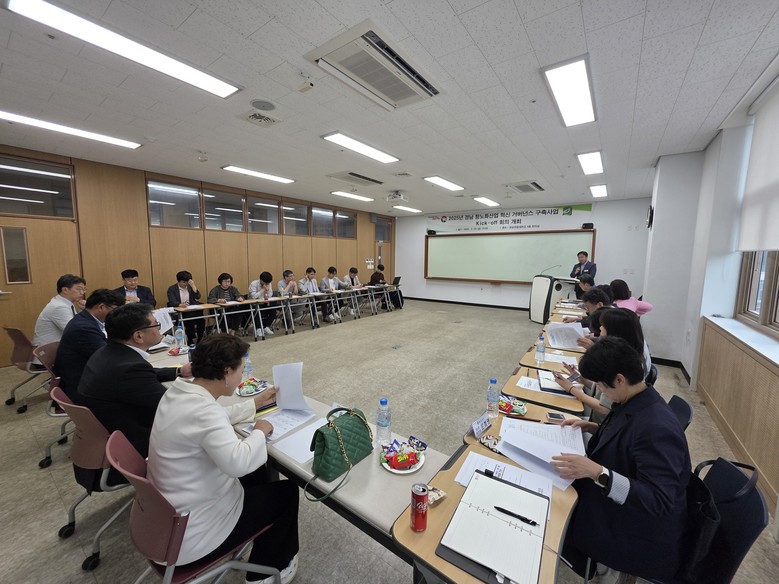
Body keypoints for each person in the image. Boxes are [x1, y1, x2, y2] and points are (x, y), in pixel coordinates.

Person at [147, 334, 297, 584]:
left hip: (168, 515)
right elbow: (238, 462)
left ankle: (257, 536)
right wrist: (260, 431)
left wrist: (255, 403)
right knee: (286, 492)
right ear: (227, 372)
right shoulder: (204, 411)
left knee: (258, 473)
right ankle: (265, 573)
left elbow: (216, 416)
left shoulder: (178, 393)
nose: (242, 376)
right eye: (241, 369)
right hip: (192, 534)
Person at [551, 337, 690, 582]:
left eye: (601, 385)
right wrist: (593, 427)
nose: (601, 391)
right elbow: (627, 439)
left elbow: (658, 500)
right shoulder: (637, 398)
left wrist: (598, 472)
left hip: (636, 531)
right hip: (620, 504)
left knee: (554, 509)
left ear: (619, 379)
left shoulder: (657, 427)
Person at [78, 303, 191, 457]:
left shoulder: (109, 352)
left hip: (111, 432)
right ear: (138, 336)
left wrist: (179, 371)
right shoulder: (130, 369)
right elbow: (171, 406)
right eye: (156, 325)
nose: (159, 329)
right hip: (139, 442)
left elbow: (145, 373)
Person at [556, 308, 652, 421]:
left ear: (614, 332)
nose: (600, 328)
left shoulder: (623, 364)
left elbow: (605, 408)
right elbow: (604, 388)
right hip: (598, 421)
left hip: (602, 422)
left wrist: (571, 389)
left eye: (603, 326)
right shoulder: (626, 353)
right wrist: (582, 379)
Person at [54, 289, 125, 401]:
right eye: (116, 310)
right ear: (101, 307)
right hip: (82, 387)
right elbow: (109, 358)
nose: (118, 315)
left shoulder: (85, 318)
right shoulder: (83, 328)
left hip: (85, 375)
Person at [32, 274, 87, 347]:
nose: (82, 293)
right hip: (48, 350)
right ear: (65, 290)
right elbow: (75, 331)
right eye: (79, 289)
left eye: (83, 289)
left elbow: (76, 322)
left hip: (54, 346)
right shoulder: (59, 307)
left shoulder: (64, 302)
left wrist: (83, 310)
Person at [167, 270, 205, 344]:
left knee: (201, 320)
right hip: (181, 312)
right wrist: (180, 304)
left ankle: (200, 338)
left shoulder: (190, 287)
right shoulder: (172, 289)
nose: (185, 284)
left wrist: (193, 286)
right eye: (183, 282)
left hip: (191, 309)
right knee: (190, 320)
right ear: (178, 281)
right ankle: (190, 340)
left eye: (187, 282)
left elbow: (198, 297)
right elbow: (172, 301)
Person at [248, 271, 277, 336]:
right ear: (261, 280)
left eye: (268, 283)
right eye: (266, 283)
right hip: (254, 304)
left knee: (273, 310)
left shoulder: (268, 283)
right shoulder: (254, 284)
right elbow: (253, 296)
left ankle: (266, 327)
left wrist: (267, 291)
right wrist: (263, 290)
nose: (267, 284)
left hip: (264, 302)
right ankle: (258, 328)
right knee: (257, 311)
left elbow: (270, 294)